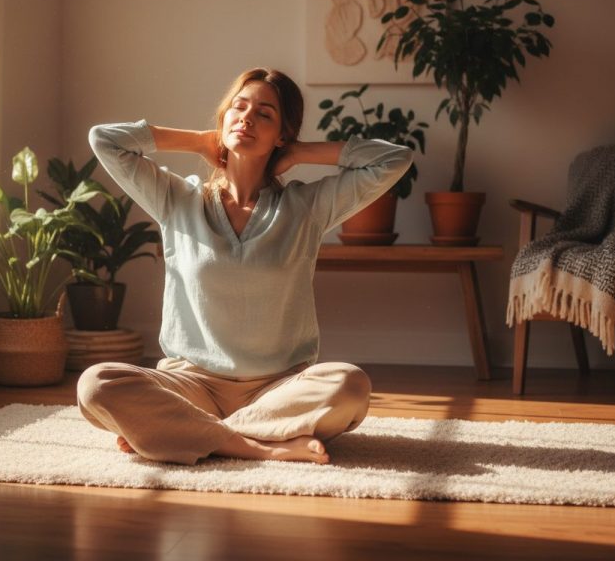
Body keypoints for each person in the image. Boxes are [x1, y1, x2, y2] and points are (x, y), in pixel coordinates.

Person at [77, 68, 412, 466]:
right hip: (190, 383)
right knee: (95, 385)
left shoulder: (307, 207)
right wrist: (200, 142)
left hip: (277, 388)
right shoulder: (176, 199)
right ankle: (256, 444)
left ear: (282, 134)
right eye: (238, 107)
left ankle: (180, 432)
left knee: (350, 385)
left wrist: (301, 153)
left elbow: (395, 158)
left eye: (265, 114)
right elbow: (105, 139)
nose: (247, 118)